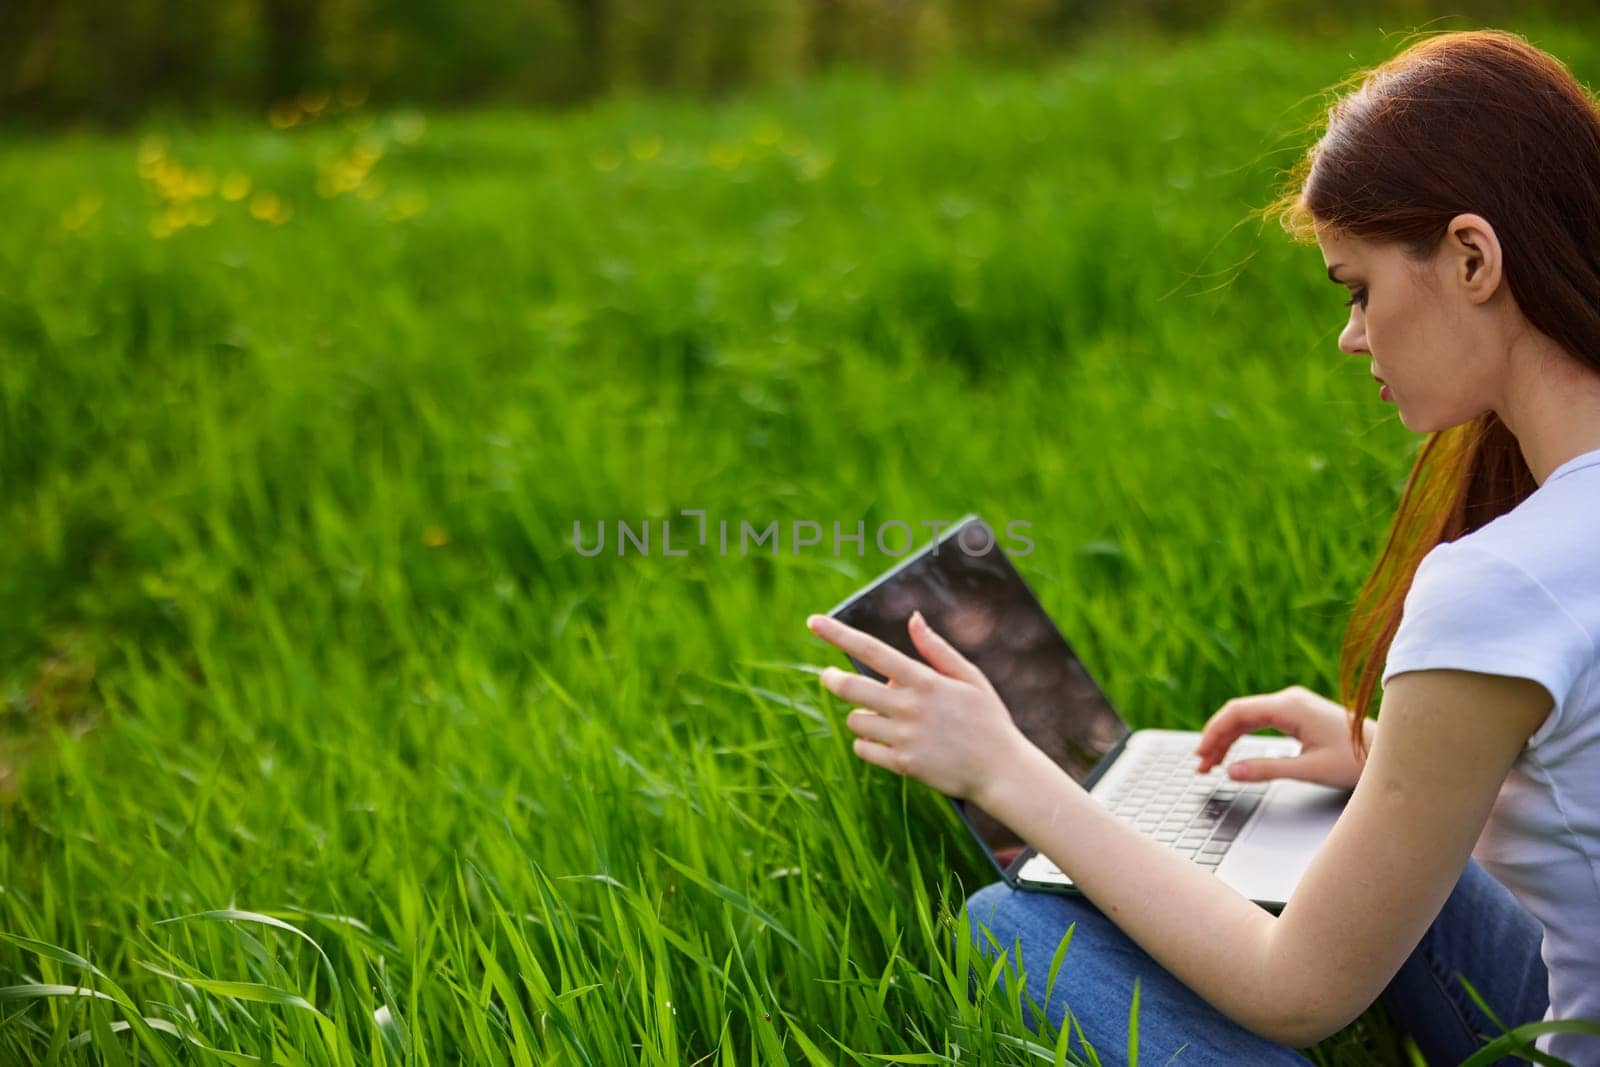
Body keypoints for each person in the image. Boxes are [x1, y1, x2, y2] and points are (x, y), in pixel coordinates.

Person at [804, 28, 1600, 1066]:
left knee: (1011, 927)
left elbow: (1294, 991)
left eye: (1354, 288)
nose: (1349, 336)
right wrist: (1383, 757)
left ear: (1470, 256)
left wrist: (1005, 769)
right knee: (1338, 822)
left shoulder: (1500, 582)